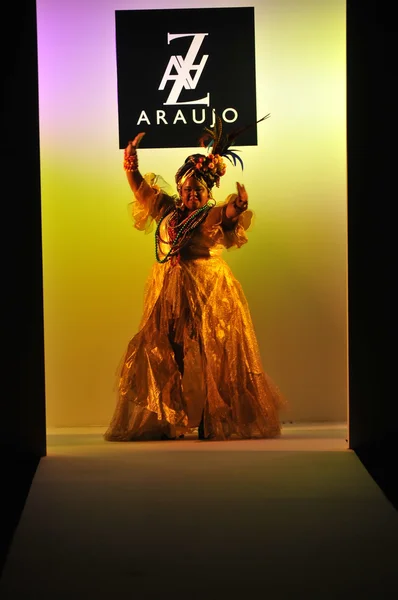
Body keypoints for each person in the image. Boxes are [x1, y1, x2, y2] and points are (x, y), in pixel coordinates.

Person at [104, 116, 285, 441]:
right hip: (170, 288)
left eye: (197, 190)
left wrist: (239, 205)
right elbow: (141, 189)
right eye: (186, 189)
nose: (190, 195)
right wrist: (130, 162)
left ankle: (215, 419)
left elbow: (228, 215)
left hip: (209, 289)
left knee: (211, 351)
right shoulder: (168, 209)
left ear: (208, 190)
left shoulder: (212, 212)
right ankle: (170, 418)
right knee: (163, 348)